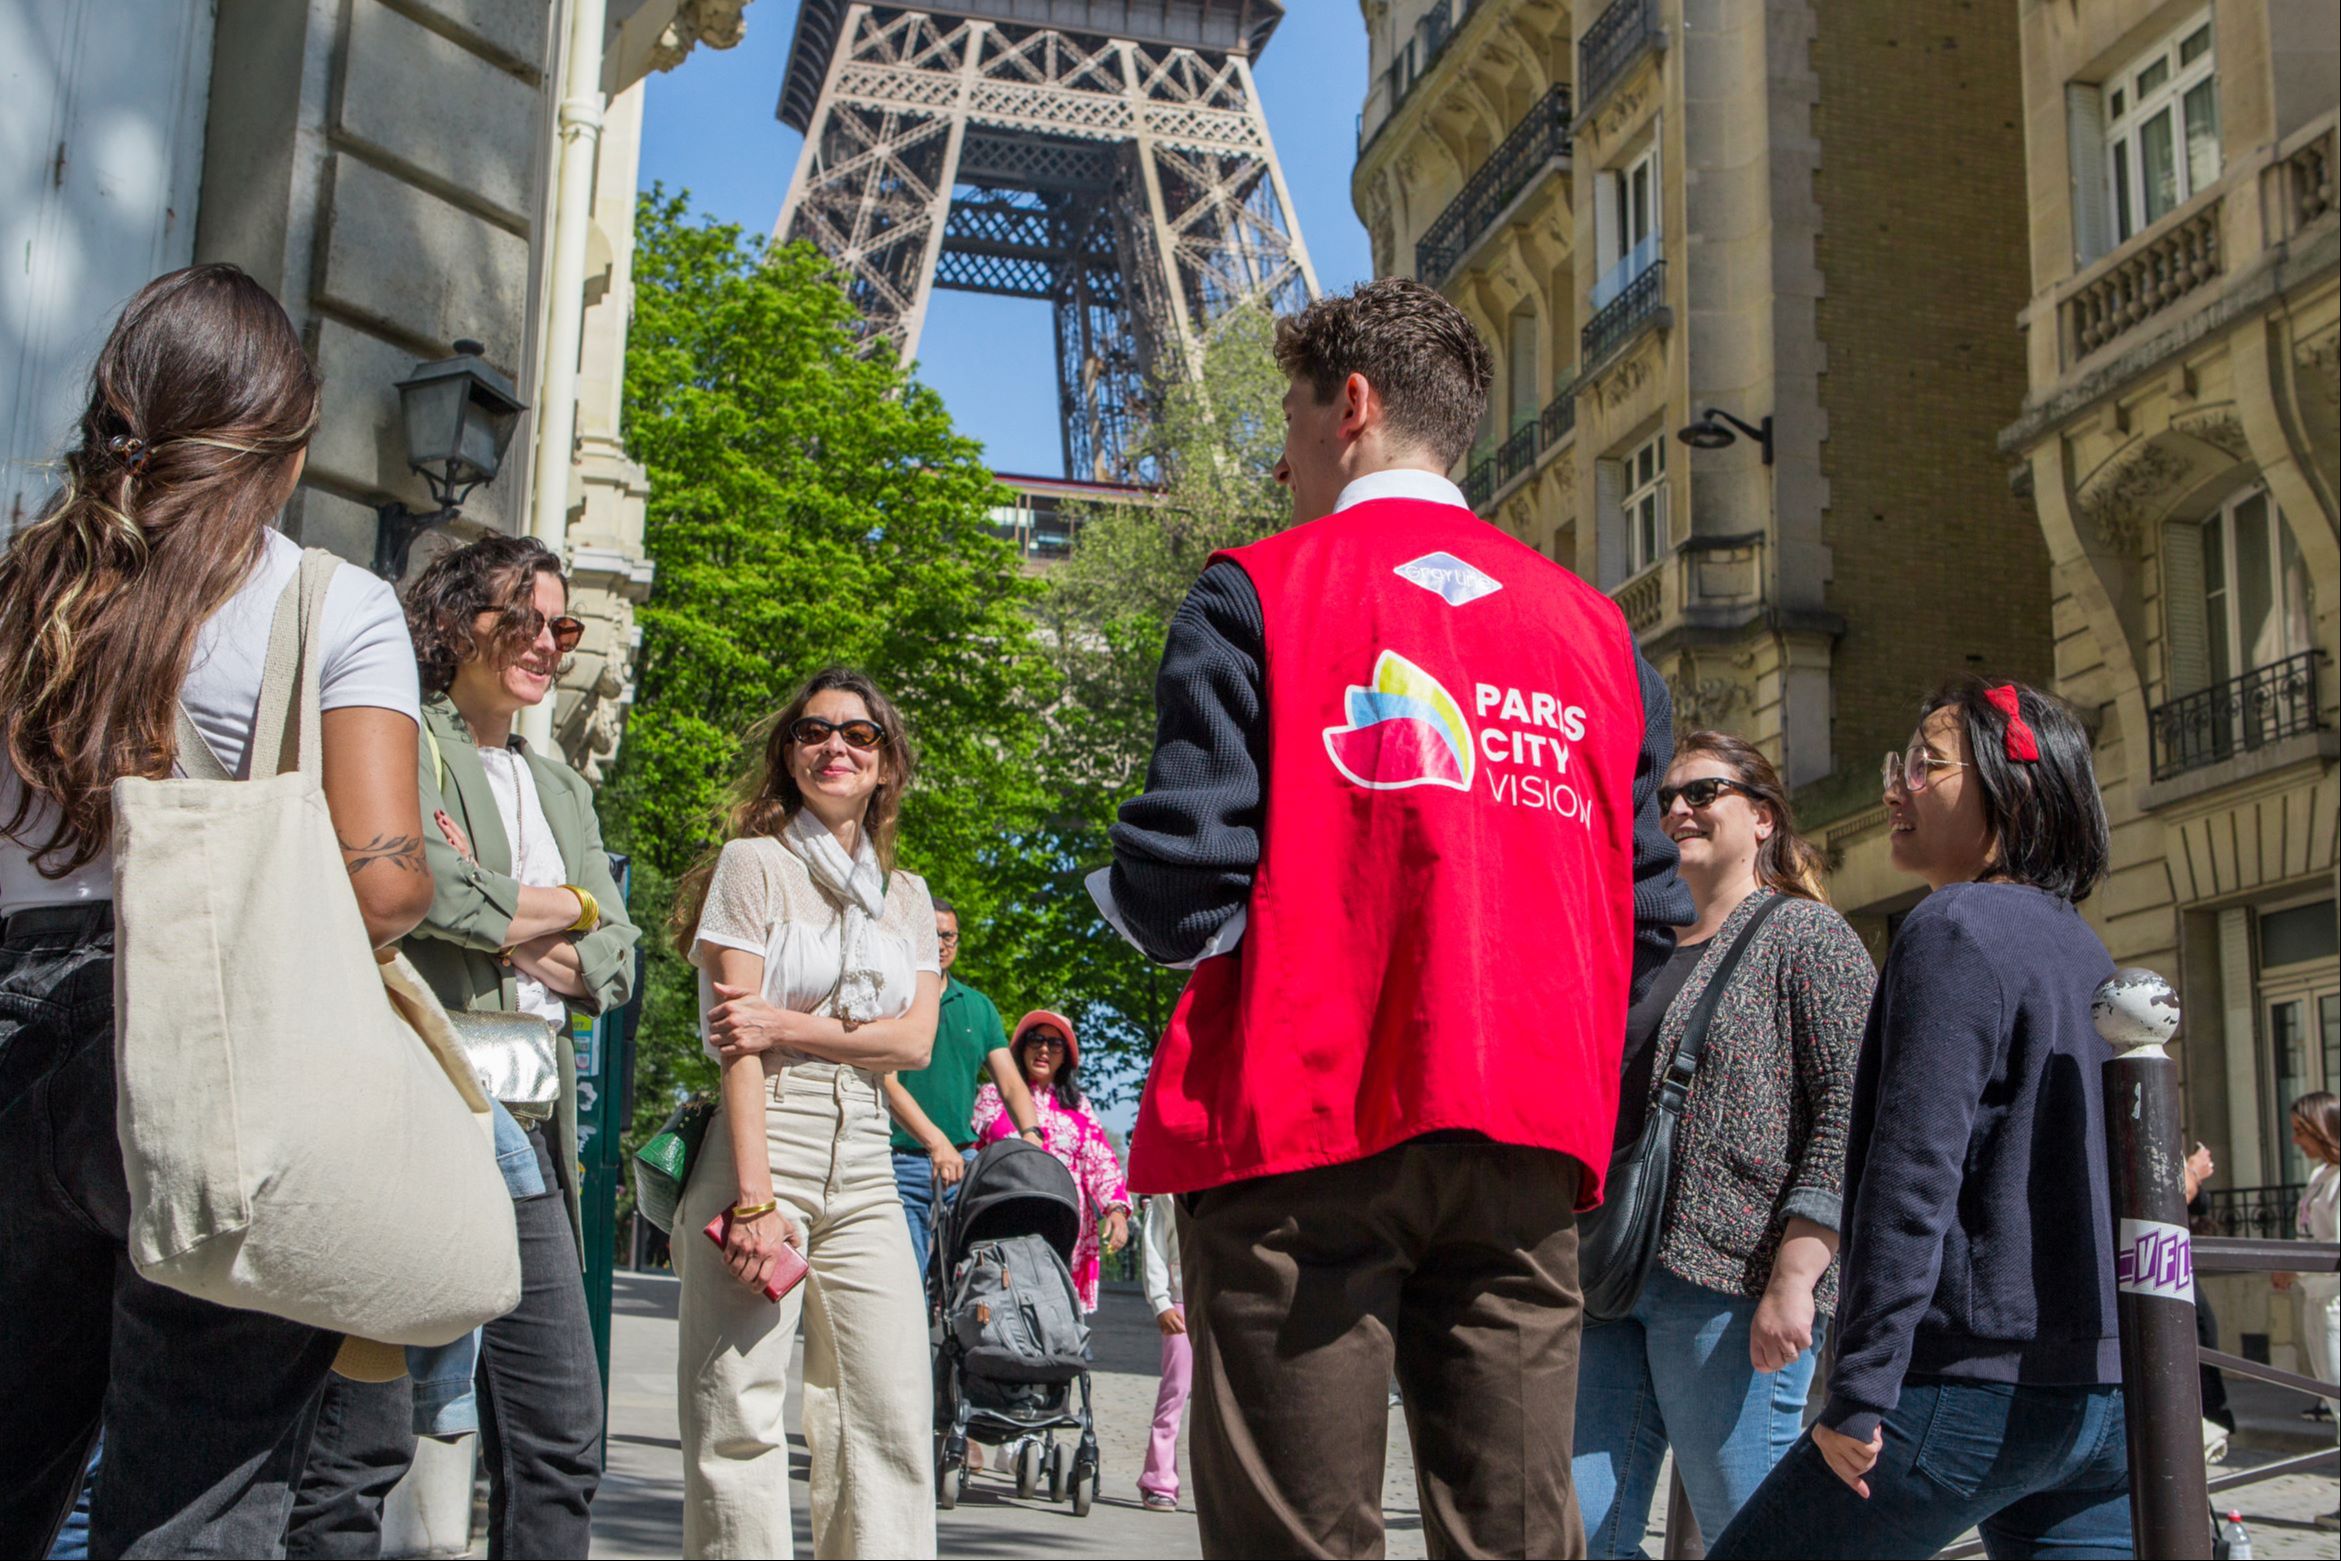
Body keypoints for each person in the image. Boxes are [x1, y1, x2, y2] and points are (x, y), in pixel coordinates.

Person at [1099, 277, 1692, 1557]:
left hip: (1304, 1128)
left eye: (1292, 419)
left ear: (1350, 406)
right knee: (1520, 1537)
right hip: (1527, 1145)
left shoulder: (1256, 590)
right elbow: (1653, 921)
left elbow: (1184, 880)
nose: (1279, 454)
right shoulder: (1597, 634)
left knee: (1300, 1536)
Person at [0, 264, 433, 1557]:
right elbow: (383, 882)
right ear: (286, 448)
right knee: (197, 1496)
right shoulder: (330, 605)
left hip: (18, 1028)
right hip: (215, 1046)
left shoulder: (25, 587)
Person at [1711, 679, 2132, 1559]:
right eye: (1897, 766)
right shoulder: (2080, 942)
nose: (1895, 789)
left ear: (2009, 788)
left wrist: (1860, 1385)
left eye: (1925, 766)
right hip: (2096, 1398)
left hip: (1961, 1392)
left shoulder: (1954, 927)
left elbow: (1915, 1169)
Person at [287, 533, 638, 1558]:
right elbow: (420, 881)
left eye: (560, 625)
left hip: (529, 1127)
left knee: (562, 1434)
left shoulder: (563, 786)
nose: (543, 641)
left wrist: (560, 915)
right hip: (416, 1103)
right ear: (455, 620)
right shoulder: (406, 737)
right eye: (518, 617)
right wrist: (561, 906)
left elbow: (615, 957)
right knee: (364, 1439)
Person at [1573, 732, 1872, 1555]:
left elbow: (1853, 1112)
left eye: (1702, 792)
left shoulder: (1807, 937)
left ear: (1764, 816)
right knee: (1575, 1532)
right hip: (1604, 1273)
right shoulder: (1629, 949)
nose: (1676, 809)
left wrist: (1796, 1276)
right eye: (1664, 798)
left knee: (1750, 1535)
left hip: (1729, 1287)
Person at [671, 668, 941, 1559]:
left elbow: (913, 1047)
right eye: (814, 732)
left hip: (865, 1151)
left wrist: (786, 1020)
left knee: (888, 1414)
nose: (836, 747)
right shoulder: (754, 867)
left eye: (859, 735)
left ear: (886, 764)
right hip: (765, 1139)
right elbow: (735, 1044)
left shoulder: (906, 898)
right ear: (788, 756)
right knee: (738, 1413)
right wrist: (753, 1200)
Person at [882, 896, 1041, 1280]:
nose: (940, 944)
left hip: (964, 1166)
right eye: (931, 935)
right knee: (905, 1285)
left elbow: (1010, 1082)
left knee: (982, 1279)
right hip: (899, 1163)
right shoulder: (891, 998)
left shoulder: (978, 1006)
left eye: (948, 936)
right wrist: (936, 1143)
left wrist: (1031, 1134)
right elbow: (883, 1080)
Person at [973, 1012, 1132, 1310]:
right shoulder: (993, 1096)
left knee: (1059, 1318)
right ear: (1021, 1046)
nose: (1044, 1049)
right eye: (1036, 1039)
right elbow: (972, 1155)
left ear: (1066, 1057)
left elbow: (1101, 1160)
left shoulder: (1079, 1106)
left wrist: (1117, 1210)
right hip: (1004, 1223)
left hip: (1065, 1228)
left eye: (1055, 1044)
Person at [2274, 1093, 2338, 1426]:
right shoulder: (2319, 1176)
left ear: (2323, 1128)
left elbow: (2336, 1244)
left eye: (2301, 1130)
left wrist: (2295, 1268)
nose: (2295, 1140)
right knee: (2328, 1390)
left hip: (2336, 1299)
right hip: (2315, 1296)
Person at [1138, 1193, 1190, 1513]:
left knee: (1225, 1398)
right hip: (1180, 1303)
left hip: (1223, 1302)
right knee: (1175, 1390)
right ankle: (1159, 1478)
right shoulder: (1167, 1196)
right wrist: (1161, 1301)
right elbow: (1153, 1247)